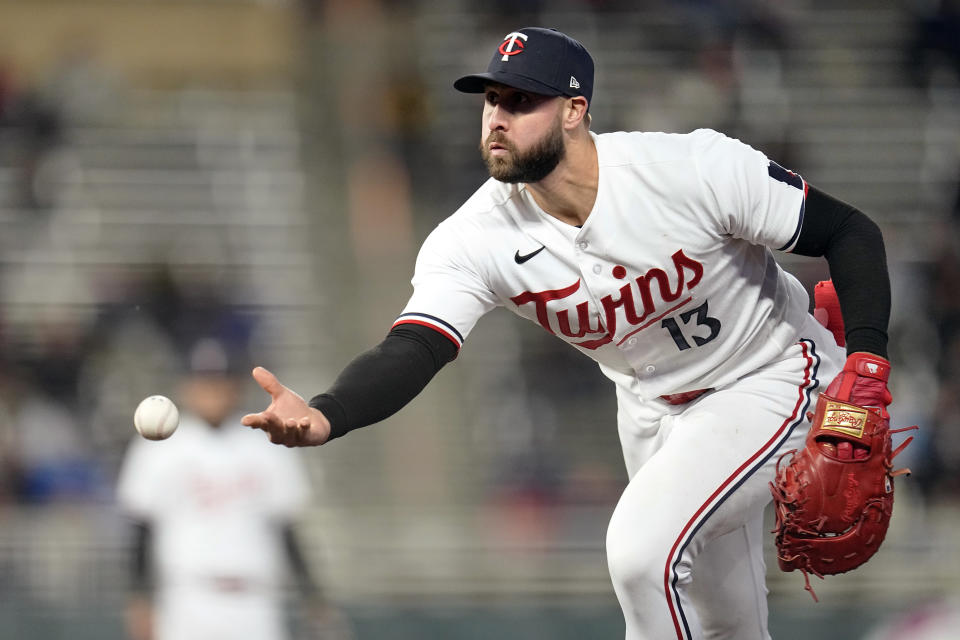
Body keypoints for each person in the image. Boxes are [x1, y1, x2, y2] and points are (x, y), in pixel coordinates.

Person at [242, 27, 896, 640]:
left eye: (520, 101)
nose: (496, 117)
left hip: (768, 369)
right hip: (651, 408)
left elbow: (850, 232)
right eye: (490, 99)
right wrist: (329, 415)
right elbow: (416, 345)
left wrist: (865, 365)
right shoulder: (475, 238)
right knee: (723, 622)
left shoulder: (687, 169)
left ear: (575, 110)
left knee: (641, 555)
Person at [117, 338, 329, 640]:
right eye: (204, 382)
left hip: (255, 599)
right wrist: (139, 601)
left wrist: (313, 597)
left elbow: (287, 530)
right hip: (186, 597)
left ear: (236, 387)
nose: (212, 392)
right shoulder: (157, 449)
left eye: (220, 382)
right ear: (186, 386)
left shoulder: (269, 441)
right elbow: (141, 531)